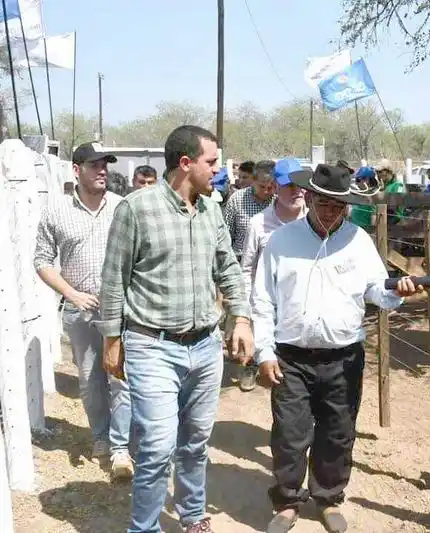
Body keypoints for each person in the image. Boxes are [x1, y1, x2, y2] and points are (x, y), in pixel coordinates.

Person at [97, 125, 254, 533]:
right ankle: (144, 527)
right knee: (157, 447)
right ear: (186, 164)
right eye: (211, 162)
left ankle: (192, 515)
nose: (218, 171)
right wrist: (112, 339)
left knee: (195, 443)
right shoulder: (136, 209)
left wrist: (242, 317)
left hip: (204, 348)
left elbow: (229, 269)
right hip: (152, 346)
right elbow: (114, 279)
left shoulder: (212, 210)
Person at [250, 164, 423, 533]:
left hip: (343, 357)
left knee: (337, 431)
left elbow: (376, 289)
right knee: (290, 434)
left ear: (346, 207)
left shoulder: (359, 241)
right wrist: (264, 352)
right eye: (324, 203)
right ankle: (287, 501)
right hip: (290, 357)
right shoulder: (281, 241)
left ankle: (328, 498)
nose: (330, 212)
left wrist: (396, 290)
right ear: (309, 198)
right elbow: (262, 300)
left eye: (338, 206)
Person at [34, 142, 134, 480]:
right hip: (80, 309)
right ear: (76, 170)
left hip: (120, 309)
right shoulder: (56, 212)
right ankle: (101, 439)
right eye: (94, 165)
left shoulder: (124, 208)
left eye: (105, 164)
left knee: (120, 378)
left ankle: (121, 450)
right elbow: (42, 261)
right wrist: (71, 294)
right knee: (91, 381)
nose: (102, 170)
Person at [237, 158, 309, 391]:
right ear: (276, 187)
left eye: (300, 185)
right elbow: (247, 268)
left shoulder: (316, 221)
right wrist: (246, 310)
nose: (296, 191)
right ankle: (250, 367)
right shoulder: (258, 224)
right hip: (267, 308)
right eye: (290, 186)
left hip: (303, 311)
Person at [223, 159, 276, 262]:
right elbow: (226, 236)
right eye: (261, 186)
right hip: (240, 260)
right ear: (253, 180)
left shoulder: (278, 201)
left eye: (270, 188)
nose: (266, 191)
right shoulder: (237, 199)